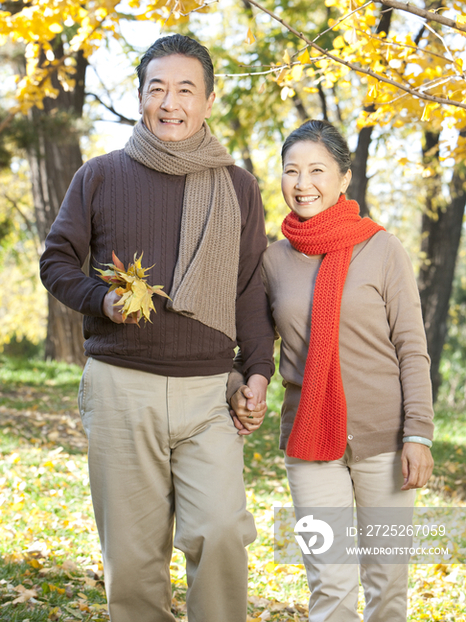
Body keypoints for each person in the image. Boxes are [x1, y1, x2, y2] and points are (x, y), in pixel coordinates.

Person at [40, 34, 275, 622]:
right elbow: (57, 262)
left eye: (185, 89)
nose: (170, 102)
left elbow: (249, 289)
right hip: (122, 387)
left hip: (207, 393)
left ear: (209, 99)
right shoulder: (99, 176)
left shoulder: (239, 187)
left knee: (221, 531)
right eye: (157, 88)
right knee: (134, 560)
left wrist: (259, 371)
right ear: (141, 96)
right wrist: (103, 301)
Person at [231, 119, 434, 622]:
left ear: (344, 178)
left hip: (385, 443)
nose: (303, 184)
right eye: (292, 171)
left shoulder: (383, 249)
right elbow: (253, 346)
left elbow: (412, 347)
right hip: (309, 442)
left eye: (317, 170)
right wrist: (241, 384)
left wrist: (420, 434)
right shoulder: (272, 261)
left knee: (387, 586)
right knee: (331, 586)